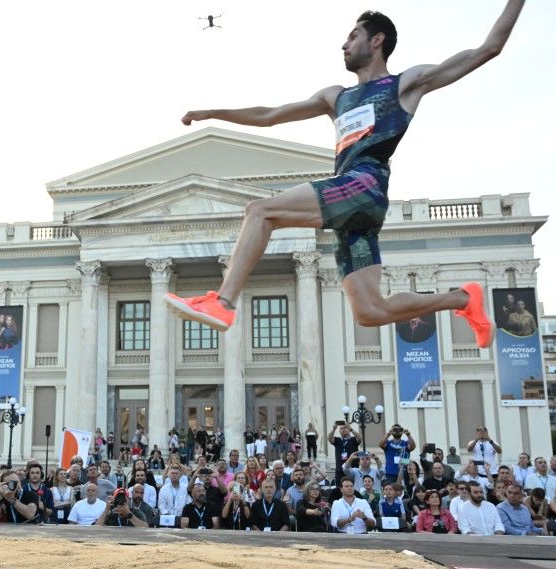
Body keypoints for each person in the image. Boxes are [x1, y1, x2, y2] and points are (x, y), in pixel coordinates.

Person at [163, 5, 527, 344]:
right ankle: (461, 299)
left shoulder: (404, 84)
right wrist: (213, 112)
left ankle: (223, 302)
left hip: (364, 184)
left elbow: (488, 48)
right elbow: (270, 114)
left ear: (377, 40)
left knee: (260, 211)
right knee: (370, 311)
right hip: (353, 209)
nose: (344, 44)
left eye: (353, 36)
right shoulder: (335, 98)